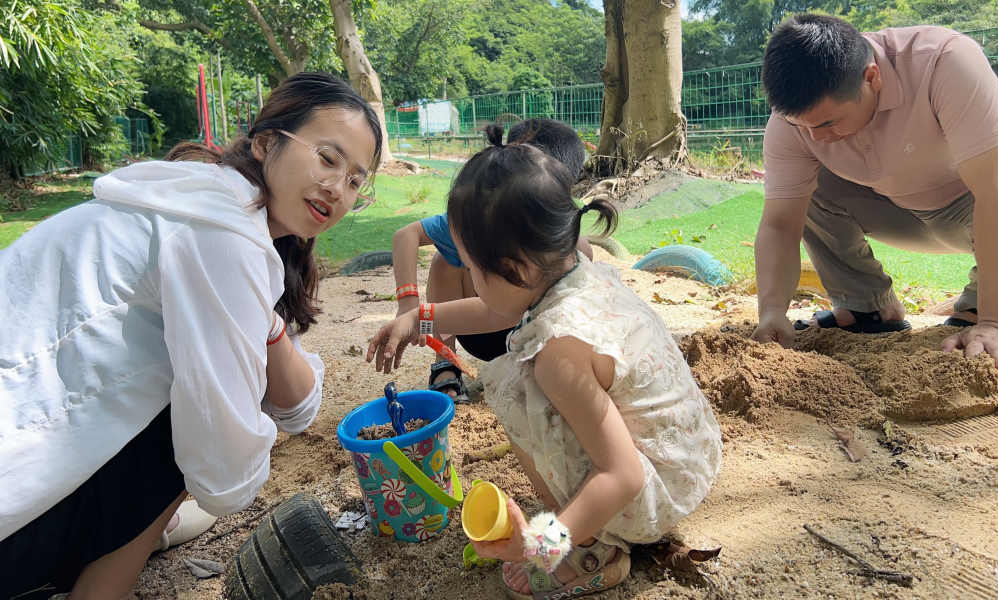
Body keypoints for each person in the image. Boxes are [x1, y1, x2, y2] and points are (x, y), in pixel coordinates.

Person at [0, 72, 381, 599]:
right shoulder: (223, 234)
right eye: (327, 158)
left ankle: (125, 542)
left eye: (357, 180)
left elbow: (299, 405)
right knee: (187, 429)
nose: (338, 189)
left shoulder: (214, 205)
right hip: (15, 492)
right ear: (268, 142)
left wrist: (266, 329)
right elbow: (224, 473)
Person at [368, 125, 722, 599]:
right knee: (527, 384)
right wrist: (421, 319)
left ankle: (594, 550)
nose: (468, 277)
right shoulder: (575, 269)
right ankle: (586, 530)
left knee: (520, 392)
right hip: (689, 453)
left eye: (471, 269)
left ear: (512, 270)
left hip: (651, 491)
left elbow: (623, 475)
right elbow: (501, 306)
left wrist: (539, 544)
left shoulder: (558, 353)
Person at [751, 14, 998, 367]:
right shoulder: (792, 123)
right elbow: (779, 224)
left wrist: (994, 321)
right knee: (801, 187)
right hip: (896, 211)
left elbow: (994, 191)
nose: (816, 138)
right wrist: (772, 312)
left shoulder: (945, 63)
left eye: (827, 123)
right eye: (801, 126)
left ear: (871, 77)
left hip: (975, 204)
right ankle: (866, 307)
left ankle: (980, 308)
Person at [390, 119, 594, 402]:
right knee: (445, 259)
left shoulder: (573, 251)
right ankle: (445, 363)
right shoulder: (476, 219)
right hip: (482, 331)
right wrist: (411, 310)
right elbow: (490, 314)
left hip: (536, 341)